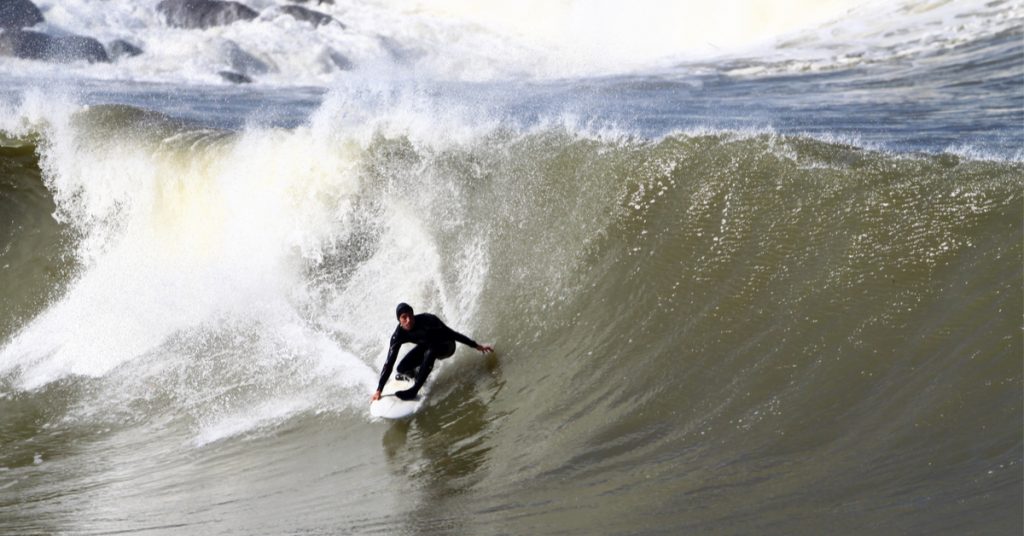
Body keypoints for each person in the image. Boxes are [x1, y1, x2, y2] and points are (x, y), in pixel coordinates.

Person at [371, 303, 493, 402]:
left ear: (413, 314)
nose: (408, 320)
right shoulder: (398, 335)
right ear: (399, 320)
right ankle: (420, 375)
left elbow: (453, 334)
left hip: (447, 346)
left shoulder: (428, 320)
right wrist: (379, 390)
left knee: (431, 350)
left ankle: (415, 389)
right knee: (402, 368)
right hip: (426, 346)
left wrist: (476, 346)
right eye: (404, 317)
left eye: (410, 315)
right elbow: (389, 362)